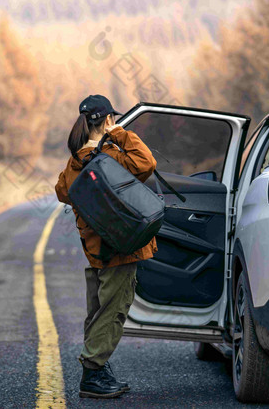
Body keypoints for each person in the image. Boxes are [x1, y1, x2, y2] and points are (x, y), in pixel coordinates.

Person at [54, 94, 157, 399]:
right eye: (113, 119)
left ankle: (98, 368)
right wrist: (119, 133)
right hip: (121, 248)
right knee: (113, 310)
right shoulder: (113, 157)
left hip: (97, 251)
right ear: (108, 120)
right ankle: (93, 372)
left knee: (98, 312)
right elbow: (146, 162)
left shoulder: (75, 163)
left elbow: (62, 191)